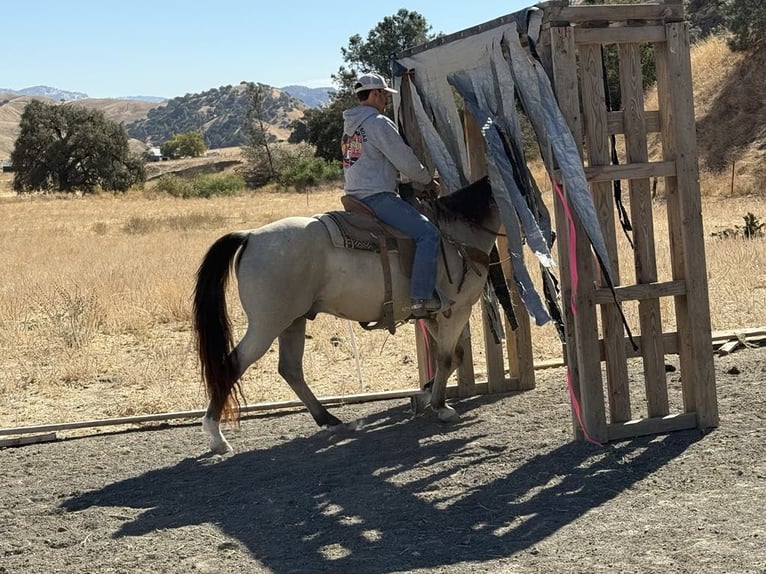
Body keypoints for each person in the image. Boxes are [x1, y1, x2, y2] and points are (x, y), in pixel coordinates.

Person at [341, 72, 442, 318]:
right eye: (385, 95)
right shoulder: (378, 123)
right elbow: (405, 160)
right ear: (375, 94)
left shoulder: (350, 126)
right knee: (428, 234)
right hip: (377, 197)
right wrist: (427, 180)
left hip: (355, 195)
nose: (386, 100)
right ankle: (420, 298)